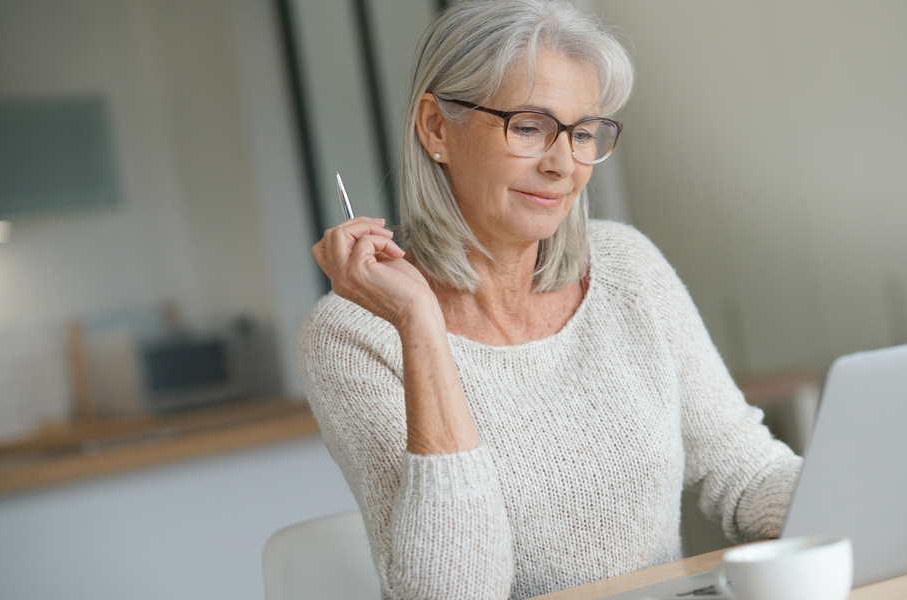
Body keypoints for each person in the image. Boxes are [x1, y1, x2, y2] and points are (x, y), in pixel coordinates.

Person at [297, 1, 801, 598]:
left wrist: (851, 506)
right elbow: (452, 591)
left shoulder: (625, 266)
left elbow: (746, 469)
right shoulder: (353, 335)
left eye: (583, 133)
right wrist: (419, 324)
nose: (563, 164)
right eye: (529, 127)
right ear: (436, 127)